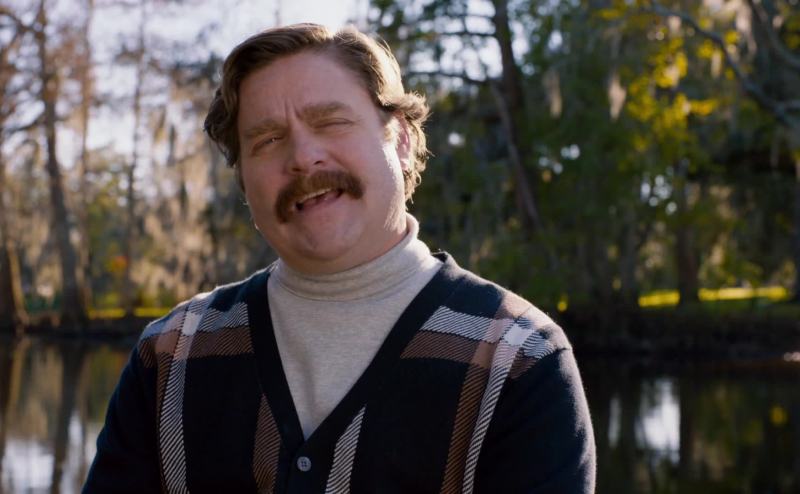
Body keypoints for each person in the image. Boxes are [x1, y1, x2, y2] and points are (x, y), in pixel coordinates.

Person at [84, 23, 595, 494]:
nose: (302, 157)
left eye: (330, 121)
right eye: (268, 140)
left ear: (401, 139)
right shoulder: (172, 356)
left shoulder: (517, 359)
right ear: (243, 181)